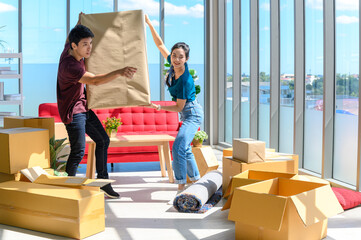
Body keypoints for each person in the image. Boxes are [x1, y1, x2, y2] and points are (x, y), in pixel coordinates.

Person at [57, 12, 137, 198]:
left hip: (84, 107)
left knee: (103, 140)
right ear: (74, 46)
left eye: (90, 43)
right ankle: (68, 190)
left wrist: (79, 21)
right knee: (78, 151)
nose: (89, 48)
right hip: (73, 112)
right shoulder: (70, 66)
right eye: (85, 44)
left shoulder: (68, 48)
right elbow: (94, 81)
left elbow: (68, 37)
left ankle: (103, 182)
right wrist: (120, 71)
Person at [145, 15, 204, 192]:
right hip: (186, 113)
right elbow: (160, 44)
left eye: (181, 57)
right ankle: (196, 180)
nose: (176, 59)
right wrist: (149, 24)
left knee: (178, 145)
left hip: (192, 114)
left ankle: (180, 185)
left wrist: (159, 107)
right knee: (184, 149)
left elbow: (179, 107)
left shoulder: (186, 80)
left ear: (186, 59)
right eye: (174, 56)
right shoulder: (172, 66)